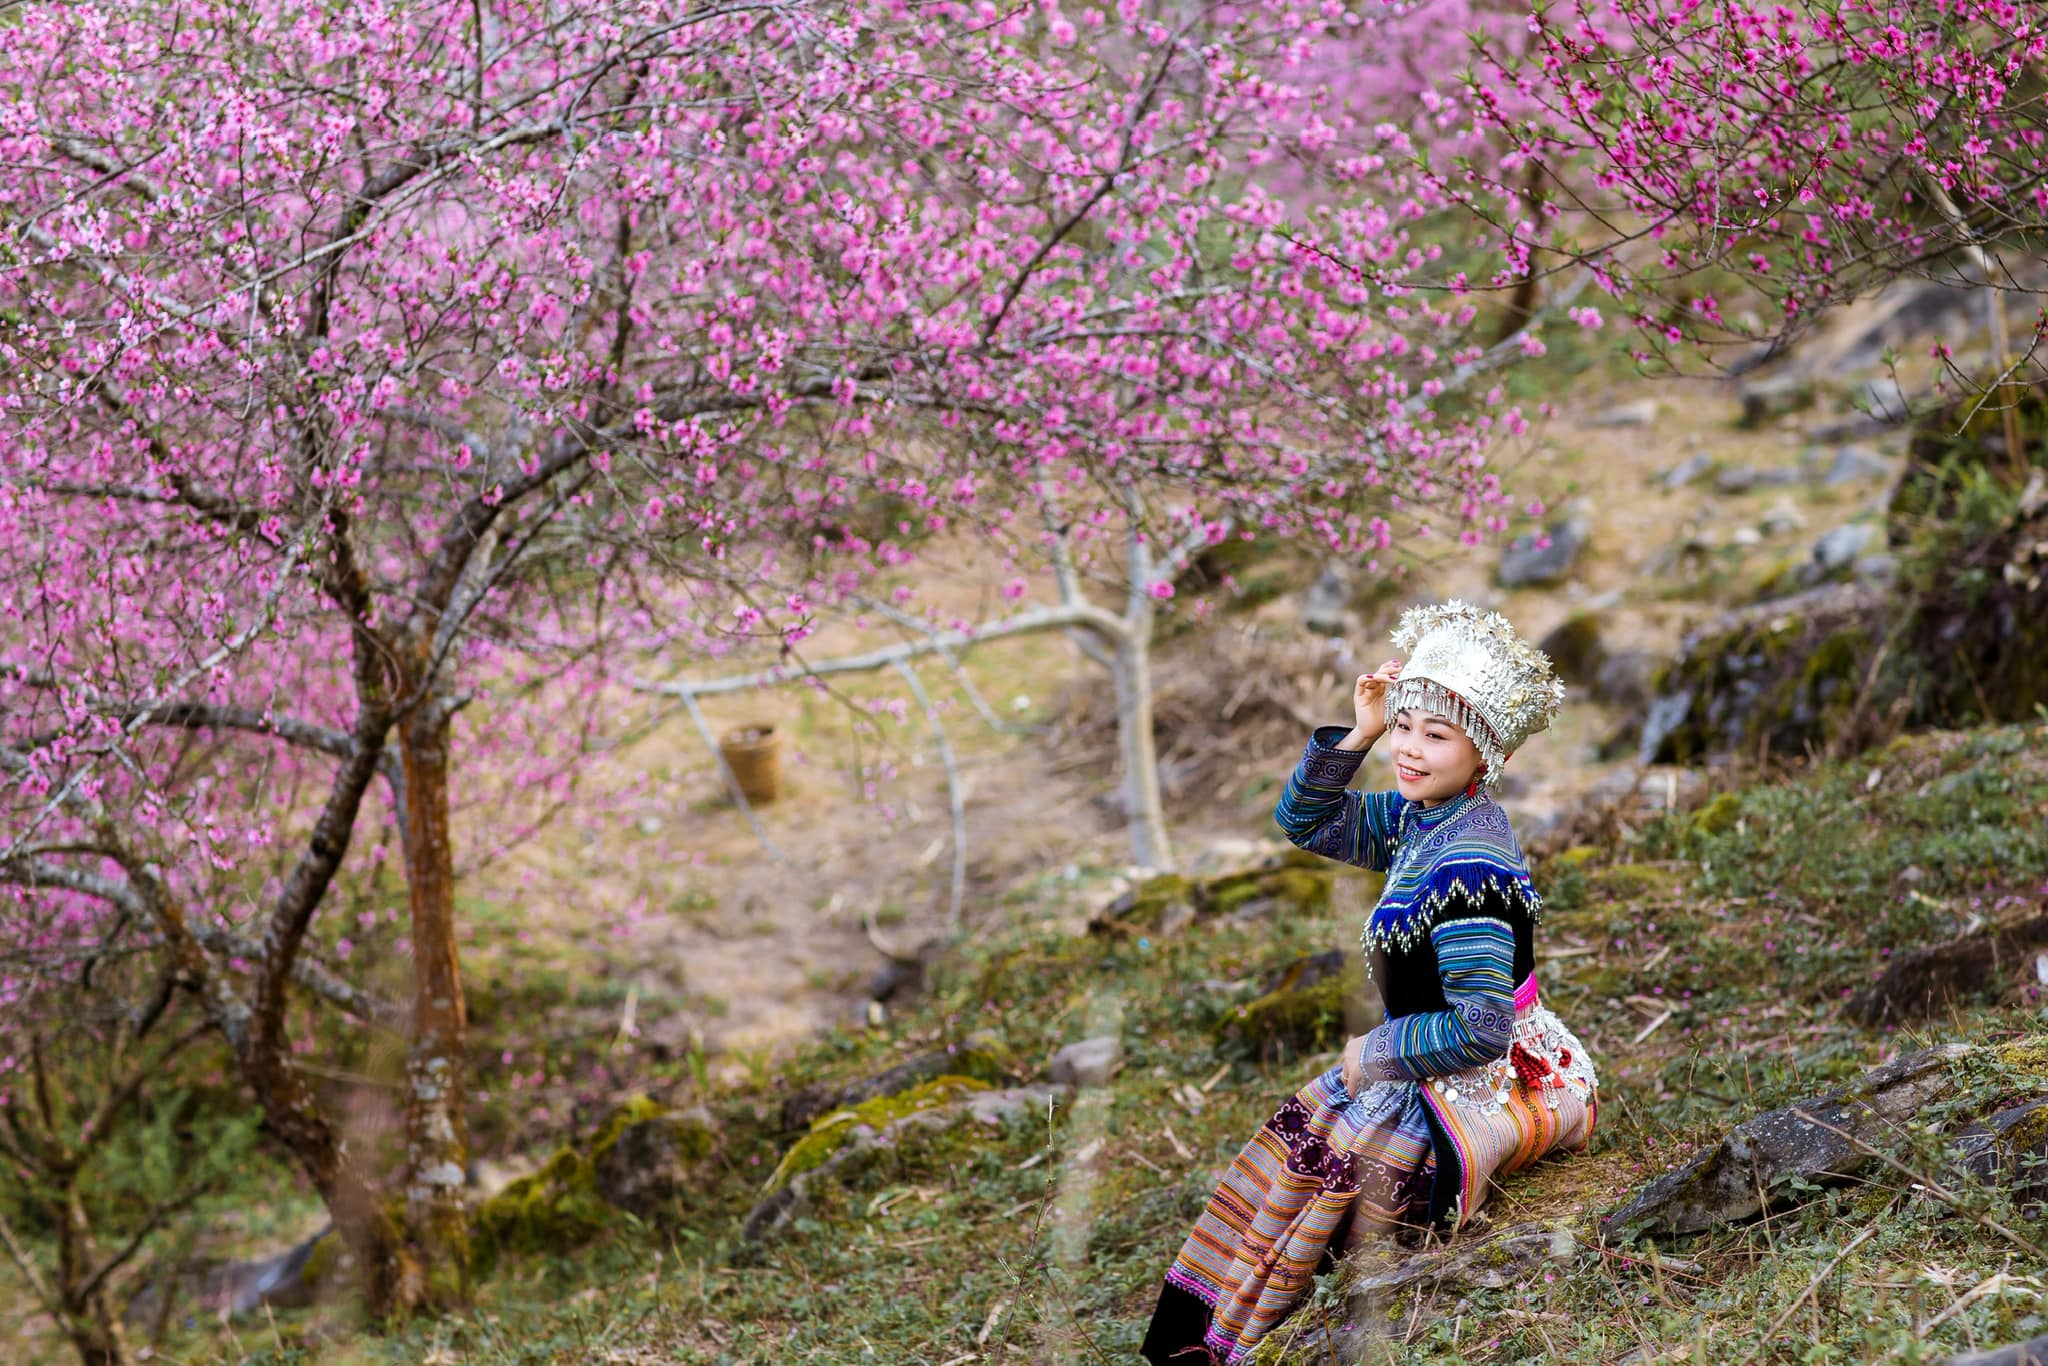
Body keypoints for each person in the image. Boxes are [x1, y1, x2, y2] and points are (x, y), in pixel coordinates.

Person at [1140, 600, 1598, 1365]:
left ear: (1484, 753)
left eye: (1436, 733)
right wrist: (1360, 731)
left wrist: (1377, 1054)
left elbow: (1481, 1029)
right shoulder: (1424, 817)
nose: (1409, 751)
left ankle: (1234, 1347)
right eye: (1405, 727)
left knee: (1316, 1198)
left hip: (1462, 1081)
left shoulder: (1471, 865)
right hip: (1413, 1062)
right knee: (1280, 1168)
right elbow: (1305, 821)